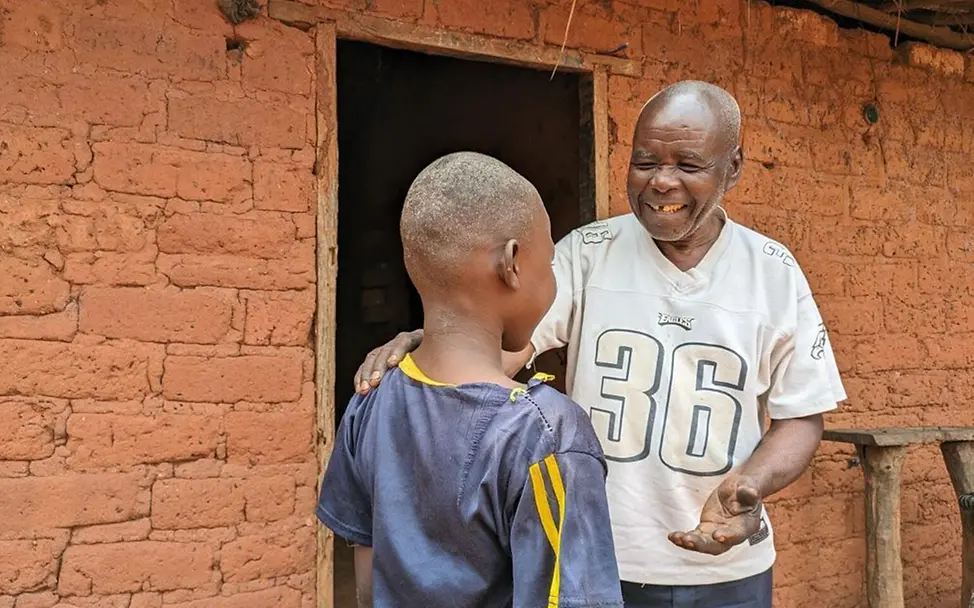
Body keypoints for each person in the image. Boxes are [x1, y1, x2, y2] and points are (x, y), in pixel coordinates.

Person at [351, 81, 847, 607]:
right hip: (596, 560)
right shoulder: (587, 254)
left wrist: (752, 482)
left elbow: (801, 416)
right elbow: (499, 352)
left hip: (730, 570)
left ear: (734, 167)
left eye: (688, 165)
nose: (662, 182)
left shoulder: (773, 272)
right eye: (645, 161)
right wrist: (432, 349)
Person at [316, 151, 625, 607]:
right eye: (551, 261)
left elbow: (368, 579)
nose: (554, 279)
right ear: (513, 263)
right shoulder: (547, 435)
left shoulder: (371, 398)